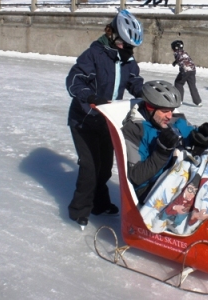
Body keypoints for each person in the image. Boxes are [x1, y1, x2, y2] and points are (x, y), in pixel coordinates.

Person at [65, 10, 144, 229]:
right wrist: (89, 96)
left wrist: (145, 91)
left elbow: (134, 81)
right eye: (124, 44)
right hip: (84, 119)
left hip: (108, 120)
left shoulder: (126, 60)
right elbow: (75, 80)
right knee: (90, 167)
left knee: (106, 167)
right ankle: (79, 210)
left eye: (131, 47)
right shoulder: (93, 55)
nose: (128, 50)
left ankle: (100, 204)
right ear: (112, 35)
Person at [121, 80, 208, 204]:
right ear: (150, 107)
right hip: (153, 188)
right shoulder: (135, 130)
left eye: (172, 110)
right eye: (165, 111)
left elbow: (189, 136)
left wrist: (200, 139)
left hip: (183, 177)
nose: (170, 116)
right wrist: (161, 153)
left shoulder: (175, 121)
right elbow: (136, 177)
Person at [171, 40, 203, 107]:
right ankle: (198, 102)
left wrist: (183, 71)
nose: (172, 49)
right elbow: (185, 59)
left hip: (185, 70)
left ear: (175, 48)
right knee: (192, 86)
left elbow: (181, 60)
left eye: (173, 48)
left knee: (178, 83)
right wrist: (175, 62)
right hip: (192, 70)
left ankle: (179, 100)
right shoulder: (184, 52)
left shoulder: (177, 53)